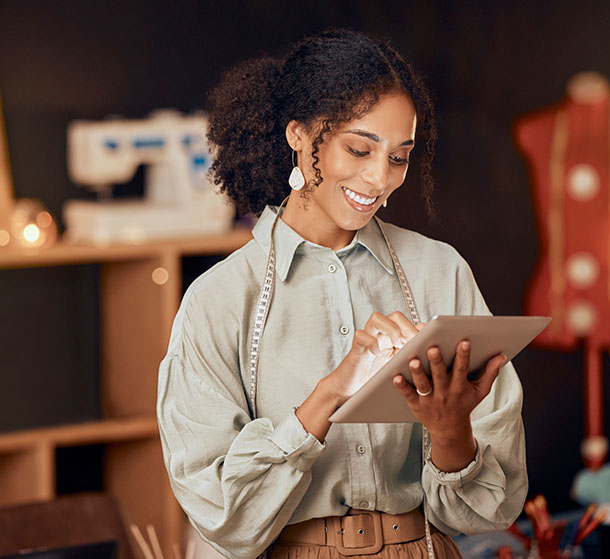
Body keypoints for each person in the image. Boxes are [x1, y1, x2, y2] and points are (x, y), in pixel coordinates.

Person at [157, 28, 527, 559]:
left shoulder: (437, 272)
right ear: (300, 137)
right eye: (359, 149)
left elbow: (490, 510)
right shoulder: (218, 301)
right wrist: (333, 391)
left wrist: (449, 434)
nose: (379, 179)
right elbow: (226, 521)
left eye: (399, 157)